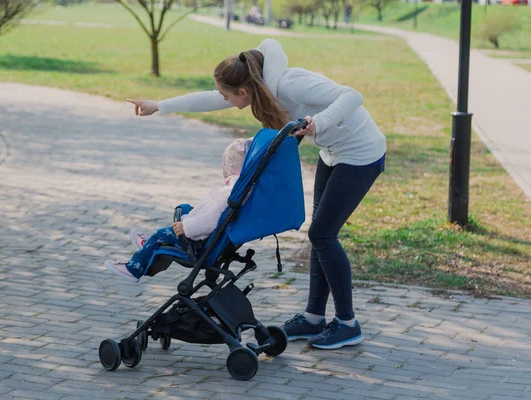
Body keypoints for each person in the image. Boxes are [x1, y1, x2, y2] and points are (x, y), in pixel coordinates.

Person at [125, 38, 386, 350]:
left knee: (323, 235)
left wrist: (319, 122)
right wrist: (161, 105)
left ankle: (347, 324)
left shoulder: (290, 84)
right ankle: (314, 317)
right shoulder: (257, 88)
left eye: (227, 95)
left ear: (244, 92)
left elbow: (352, 96)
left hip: (361, 153)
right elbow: (210, 98)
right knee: (320, 236)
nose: (223, 99)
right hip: (333, 153)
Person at [105, 138, 251, 284]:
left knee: (160, 234)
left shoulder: (229, 194)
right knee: (185, 208)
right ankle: (150, 246)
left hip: (197, 240)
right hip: (206, 234)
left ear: (232, 168)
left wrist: (186, 228)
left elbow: (210, 220)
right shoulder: (241, 189)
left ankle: (134, 268)